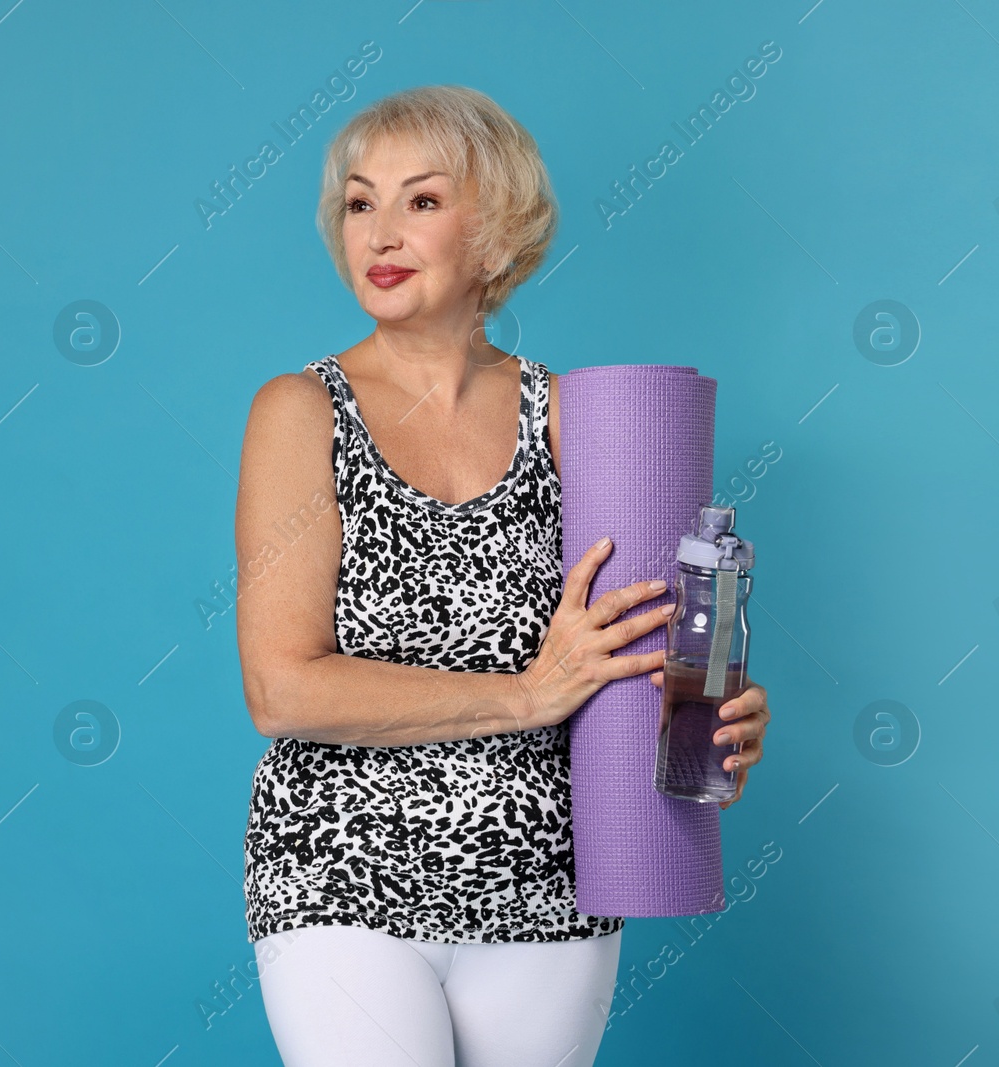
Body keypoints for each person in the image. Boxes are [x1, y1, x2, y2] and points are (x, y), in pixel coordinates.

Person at [233, 85, 771, 1066]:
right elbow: (282, 686)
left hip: (548, 878)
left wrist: (707, 724)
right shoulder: (300, 410)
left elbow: (640, 653)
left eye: (422, 201)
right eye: (359, 202)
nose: (381, 231)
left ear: (499, 232)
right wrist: (527, 692)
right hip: (342, 873)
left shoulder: (582, 418)